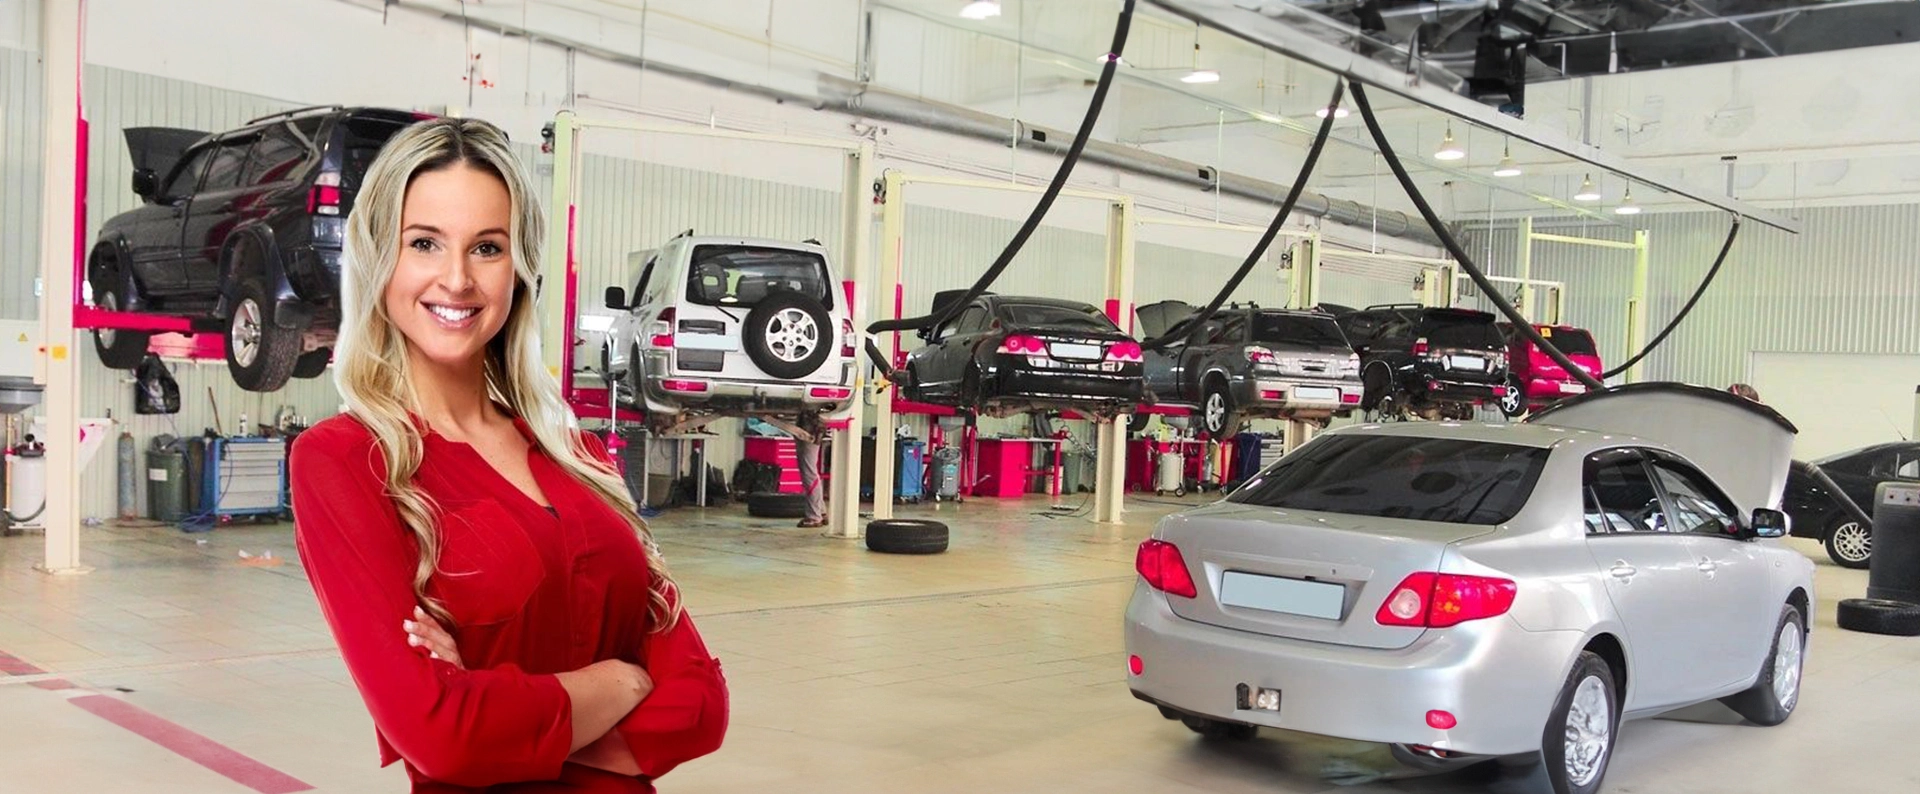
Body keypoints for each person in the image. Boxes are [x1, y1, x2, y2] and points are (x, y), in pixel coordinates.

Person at [289, 118, 726, 793]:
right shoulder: (346, 462)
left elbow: (700, 707)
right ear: (380, 259)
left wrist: (505, 706)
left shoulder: (578, 454)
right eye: (425, 243)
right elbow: (445, 735)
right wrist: (622, 680)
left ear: (519, 270)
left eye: (487, 247)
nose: (457, 278)